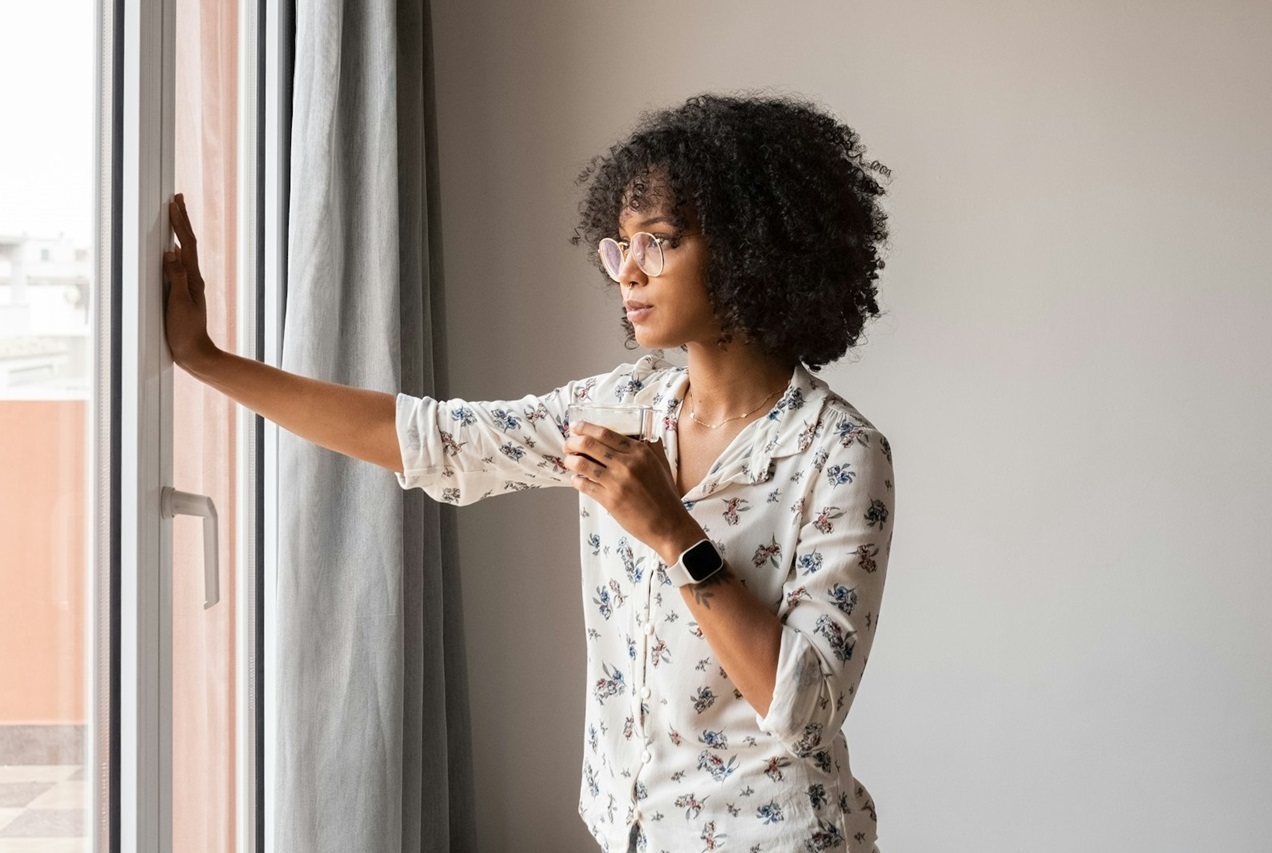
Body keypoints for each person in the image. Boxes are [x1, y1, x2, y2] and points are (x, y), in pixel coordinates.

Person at [164, 93, 895, 853]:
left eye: (660, 242)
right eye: (619, 247)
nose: (628, 273)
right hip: (633, 834)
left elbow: (806, 710)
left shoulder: (838, 453)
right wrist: (207, 361)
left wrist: (675, 533)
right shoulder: (616, 409)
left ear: (750, 247)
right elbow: (433, 438)